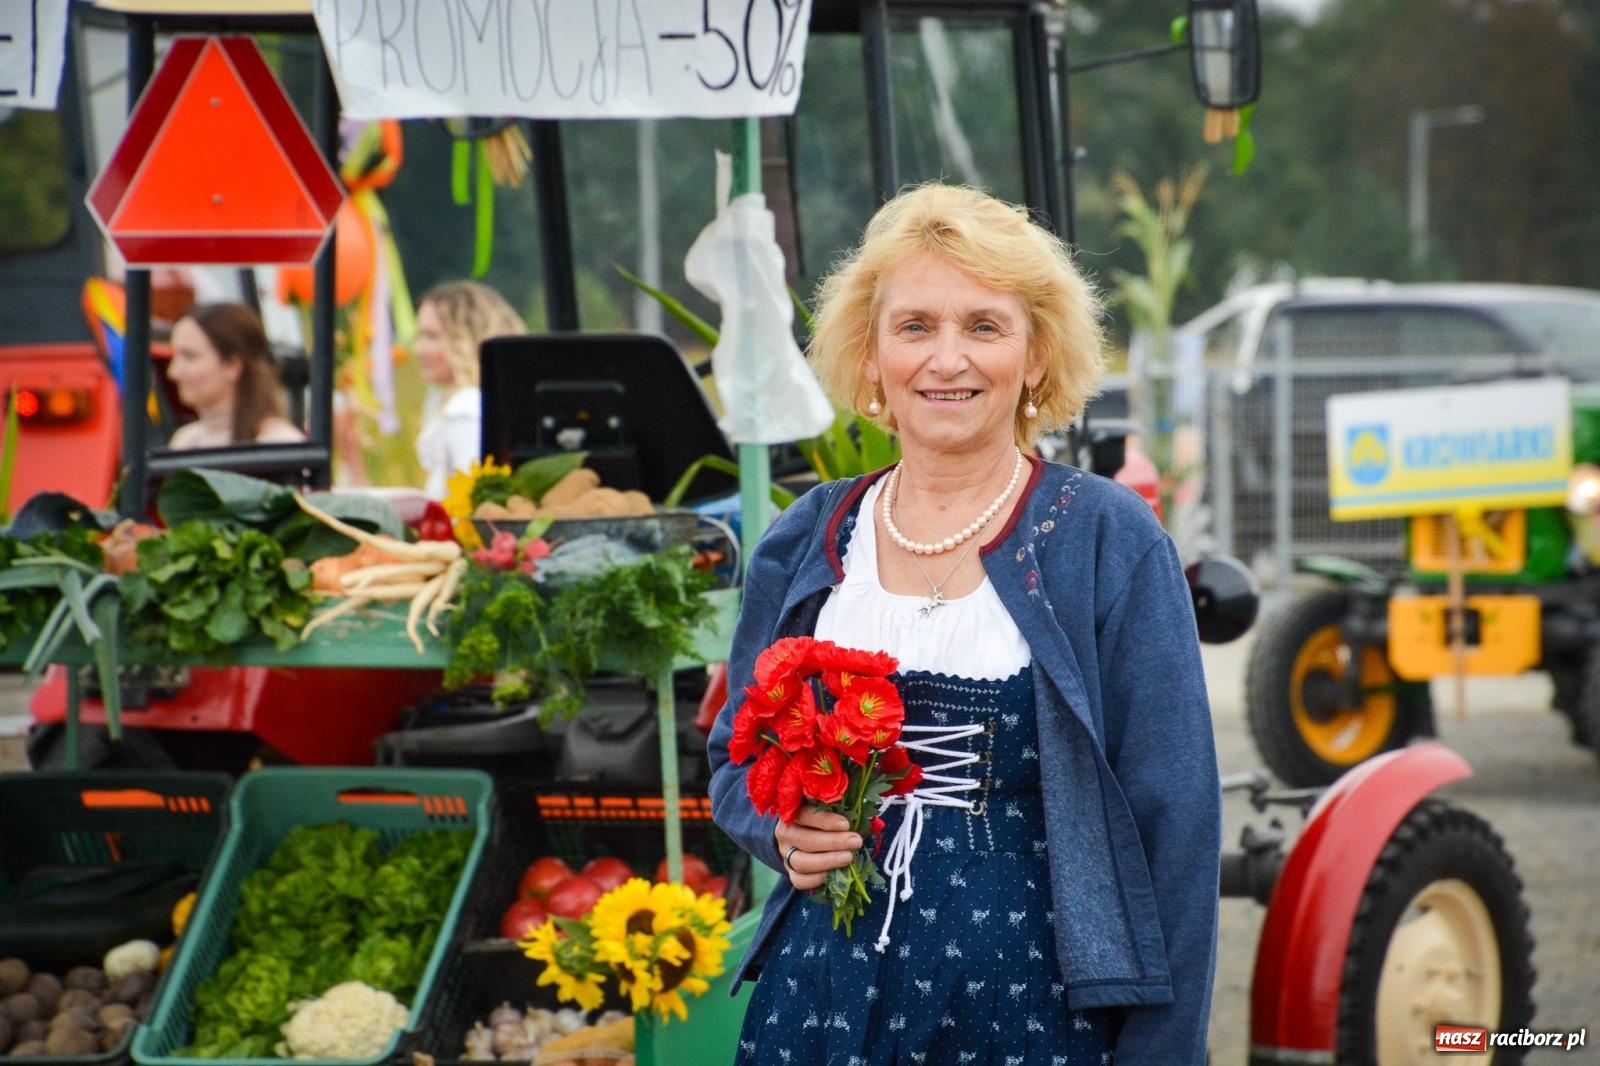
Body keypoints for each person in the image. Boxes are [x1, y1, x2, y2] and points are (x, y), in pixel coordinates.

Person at [707, 184, 1220, 1064]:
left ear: (1036, 356)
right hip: (822, 1001)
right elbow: (733, 760)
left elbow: (1175, 828)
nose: (948, 359)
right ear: (870, 357)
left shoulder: (1105, 540)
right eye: (915, 328)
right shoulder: (811, 537)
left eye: (984, 327)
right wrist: (784, 830)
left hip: (1029, 1013)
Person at [412, 281, 526, 499]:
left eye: (431, 336)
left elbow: (472, 501)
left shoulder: (465, 409)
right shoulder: (452, 402)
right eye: (419, 336)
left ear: (466, 338)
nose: (419, 350)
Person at [166, 302, 305, 449]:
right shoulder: (185, 440)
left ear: (232, 365)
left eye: (190, 356)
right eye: (175, 356)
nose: (173, 372)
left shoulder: (279, 443)